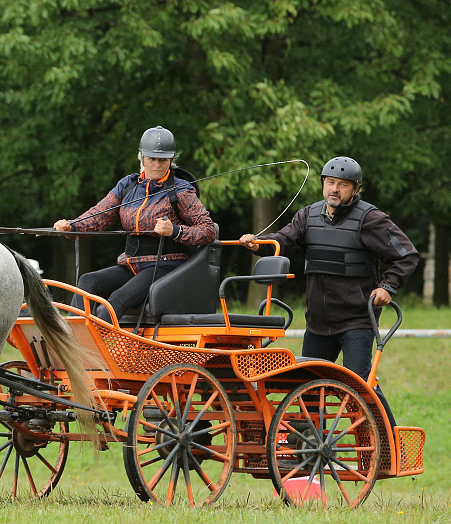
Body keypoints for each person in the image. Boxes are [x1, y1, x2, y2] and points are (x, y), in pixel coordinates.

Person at [239, 156, 420, 424]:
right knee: (307, 390)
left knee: (360, 386)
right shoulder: (308, 216)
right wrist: (259, 244)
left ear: (355, 189)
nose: (335, 189)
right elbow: (283, 240)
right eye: (330, 182)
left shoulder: (371, 219)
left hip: (356, 321)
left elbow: (407, 255)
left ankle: (388, 445)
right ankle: (309, 450)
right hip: (318, 321)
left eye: (343, 185)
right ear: (323, 184)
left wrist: (388, 287)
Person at [54, 126, 216, 321]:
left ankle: (91, 347)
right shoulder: (127, 185)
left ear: (171, 160)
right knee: (87, 282)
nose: (157, 165)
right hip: (131, 264)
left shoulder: (181, 190)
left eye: (163, 160)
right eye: (152, 159)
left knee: (116, 300)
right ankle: (74, 341)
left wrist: (175, 231)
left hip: (165, 266)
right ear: (141, 157)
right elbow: (99, 215)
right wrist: (72, 226)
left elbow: (208, 230)